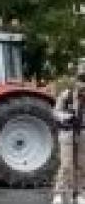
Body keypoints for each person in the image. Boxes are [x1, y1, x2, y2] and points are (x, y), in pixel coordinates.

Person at [53, 59, 85, 204]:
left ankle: (79, 193)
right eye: (81, 78)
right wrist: (67, 116)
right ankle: (59, 194)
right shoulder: (67, 95)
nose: (82, 83)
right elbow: (55, 112)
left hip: (83, 133)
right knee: (66, 165)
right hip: (68, 132)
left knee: (81, 165)